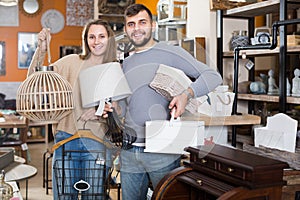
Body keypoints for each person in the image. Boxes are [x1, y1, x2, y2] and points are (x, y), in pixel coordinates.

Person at [103, 4, 222, 200]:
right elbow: (127, 106)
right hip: (129, 150)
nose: (137, 28)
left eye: (142, 22)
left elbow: (212, 76)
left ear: (153, 26)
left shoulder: (170, 53)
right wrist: (116, 107)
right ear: (125, 30)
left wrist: (186, 94)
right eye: (131, 24)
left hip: (162, 151)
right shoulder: (126, 63)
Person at [27, 19, 117, 199]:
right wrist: (42, 50)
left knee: (94, 196)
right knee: (64, 195)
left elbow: (120, 107)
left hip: (97, 141)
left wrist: (110, 108)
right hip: (66, 139)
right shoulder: (71, 62)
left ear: (109, 40)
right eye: (91, 36)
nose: (96, 41)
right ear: (85, 40)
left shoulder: (114, 68)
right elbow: (33, 78)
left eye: (101, 36)